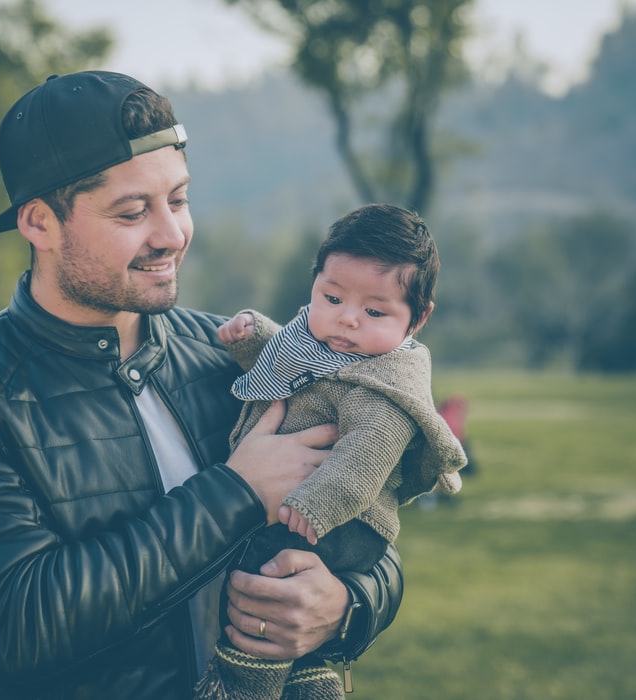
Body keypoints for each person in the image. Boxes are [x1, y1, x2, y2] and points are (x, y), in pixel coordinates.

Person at [0, 70, 405, 700]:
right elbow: (10, 627)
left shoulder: (237, 356)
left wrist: (345, 605)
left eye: (178, 200)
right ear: (40, 223)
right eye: (133, 211)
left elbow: (373, 529)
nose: (172, 235)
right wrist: (237, 492)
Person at [194, 204, 467, 700]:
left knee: (261, 585)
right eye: (332, 297)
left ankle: (241, 682)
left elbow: (366, 456)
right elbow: (291, 362)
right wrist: (251, 338)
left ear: (418, 319)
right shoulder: (324, 342)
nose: (347, 319)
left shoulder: (382, 387)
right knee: (291, 614)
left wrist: (316, 505)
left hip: (340, 522)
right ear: (315, 282)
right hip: (320, 518)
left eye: (374, 311)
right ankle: (314, 680)